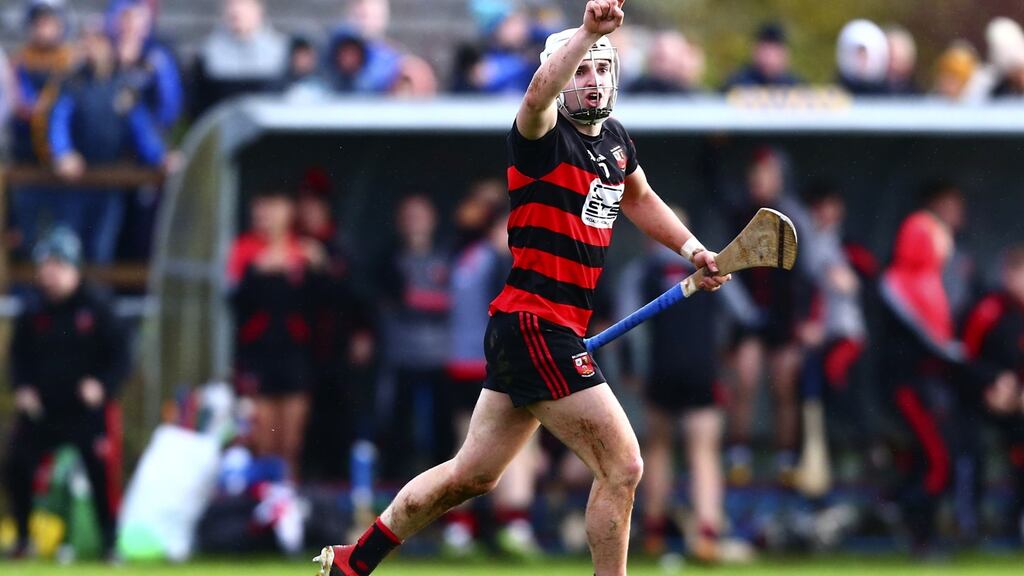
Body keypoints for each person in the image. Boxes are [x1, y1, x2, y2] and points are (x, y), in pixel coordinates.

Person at [314, 2, 729, 575]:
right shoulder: (540, 135)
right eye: (580, 69)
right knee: (624, 465)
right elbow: (536, 95)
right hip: (537, 325)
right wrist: (586, 34)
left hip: (538, 331)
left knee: (472, 475)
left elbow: (639, 199)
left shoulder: (614, 142)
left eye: (601, 68)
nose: (592, 79)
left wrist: (693, 252)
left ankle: (352, 563)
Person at [3, 227, 129, 561]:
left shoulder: (96, 307)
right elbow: (18, 358)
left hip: (85, 411)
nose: (49, 274)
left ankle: (109, 542)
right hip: (44, 410)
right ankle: (23, 538)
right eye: (45, 267)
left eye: (57, 266)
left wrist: (102, 385)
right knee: (17, 462)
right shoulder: (33, 311)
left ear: (74, 268)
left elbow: (121, 355)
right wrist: (23, 389)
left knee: (100, 469)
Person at [723, 148, 811, 487]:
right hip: (748, 318)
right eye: (755, 173)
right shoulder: (742, 212)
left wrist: (803, 322)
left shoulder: (793, 218)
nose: (758, 180)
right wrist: (717, 145)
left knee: (784, 387)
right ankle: (738, 456)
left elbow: (806, 276)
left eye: (766, 173)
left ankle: (787, 460)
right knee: (744, 381)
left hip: (783, 319)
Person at [227, 188, 327, 482]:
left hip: (295, 357)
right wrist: (258, 271)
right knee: (263, 443)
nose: (266, 217)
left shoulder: (305, 252)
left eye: (273, 209)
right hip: (258, 357)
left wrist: (318, 268)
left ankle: (286, 511)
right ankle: (262, 508)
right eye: (261, 210)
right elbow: (237, 303)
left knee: (290, 444)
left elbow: (322, 303)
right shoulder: (245, 252)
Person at [878, 204, 961, 555]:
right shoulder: (899, 284)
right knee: (939, 462)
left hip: (925, 389)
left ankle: (907, 513)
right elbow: (936, 345)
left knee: (930, 461)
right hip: (910, 389)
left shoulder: (927, 282)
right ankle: (916, 530)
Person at [49, 24, 168, 264]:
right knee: (70, 247)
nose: (93, 49)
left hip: (110, 179)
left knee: (102, 248)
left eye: (98, 42)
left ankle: (97, 299)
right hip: (77, 181)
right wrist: (63, 153)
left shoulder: (123, 86)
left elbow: (140, 127)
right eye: (88, 42)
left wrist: (159, 156)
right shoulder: (73, 83)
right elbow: (59, 121)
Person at [374, 195, 453, 481]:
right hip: (401, 356)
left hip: (442, 357)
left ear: (433, 219)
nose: (415, 222)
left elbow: (455, 301)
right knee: (397, 426)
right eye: (408, 216)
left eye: (420, 215)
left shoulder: (449, 256)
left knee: (443, 428)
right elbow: (388, 300)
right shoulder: (388, 259)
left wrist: (415, 300)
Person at [960, 246, 1024, 542]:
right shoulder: (989, 309)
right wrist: (993, 383)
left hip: (1018, 405)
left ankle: (1015, 521)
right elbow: (962, 358)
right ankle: (970, 526)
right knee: (971, 450)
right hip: (979, 401)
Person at [9, 0, 76, 258]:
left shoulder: (71, 62)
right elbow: (22, 105)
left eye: (50, 21)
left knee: (66, 239)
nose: (44, 28)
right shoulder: (20, 63)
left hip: (64, 169)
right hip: (28, 164)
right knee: (27, 238)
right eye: (39, 22)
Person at [192, 0, 287, 117]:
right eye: (231, 4)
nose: (236, 10)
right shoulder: (208, 54)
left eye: (243, 4)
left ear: (258, 10)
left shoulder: (281, 52)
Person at [721, 22, 803, 91]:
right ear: (755, 51)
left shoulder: (798, 88)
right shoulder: (736, 84)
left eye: (774, 50)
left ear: (786, 53)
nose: (769, 57)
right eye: (765, 49)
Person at [626, 30, 704, 94]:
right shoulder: (636, 89)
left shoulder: (691, 94)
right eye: (658, 57)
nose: (661, 66)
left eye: (664, 58)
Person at [835, 19, 890, 96]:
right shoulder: (836, 93)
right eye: (858, 54)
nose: (862, 61)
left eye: (865, 55)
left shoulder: (892, 94)